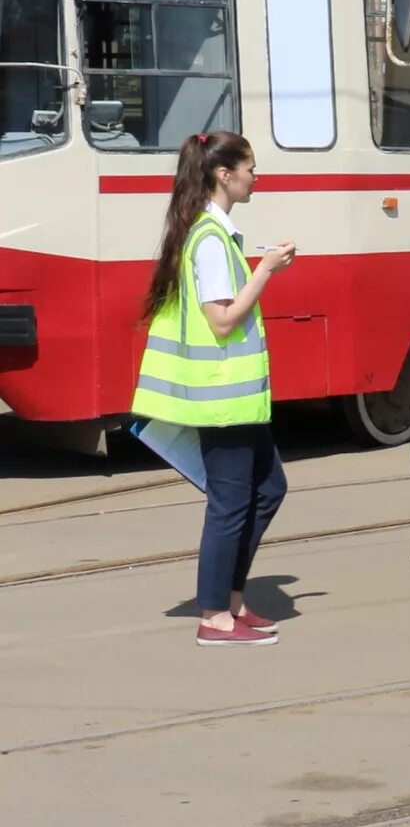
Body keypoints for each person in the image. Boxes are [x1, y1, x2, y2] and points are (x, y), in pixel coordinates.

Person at [132, 130, 295, 648]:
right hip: (222, 399)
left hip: (239, 398)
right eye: (250, 167)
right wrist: (266, 271)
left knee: (269, 489)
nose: (256, 176)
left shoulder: (215, 234)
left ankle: (231, 601)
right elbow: (222, 321)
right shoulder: (208, 239)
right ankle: (214, 618)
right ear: (224, 174)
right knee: (229, 504)